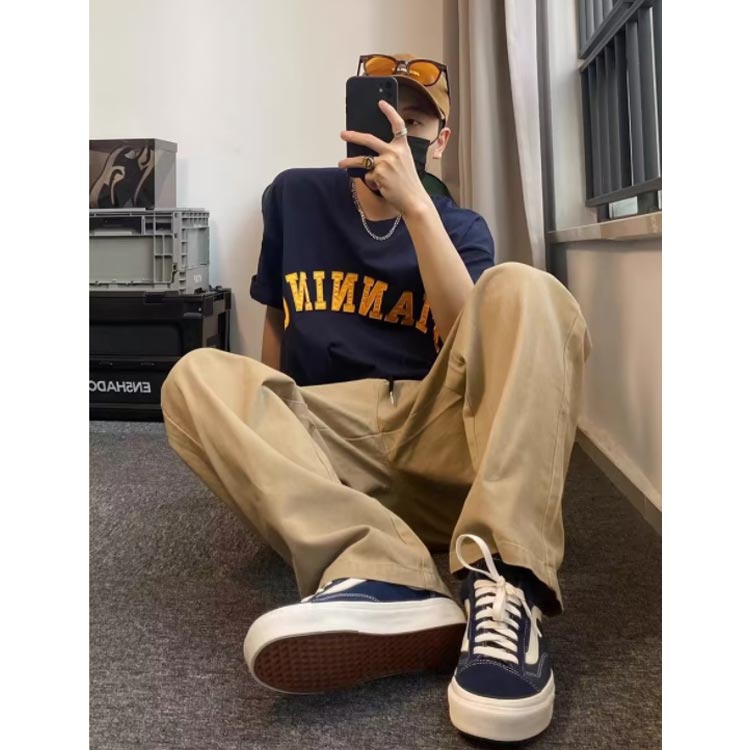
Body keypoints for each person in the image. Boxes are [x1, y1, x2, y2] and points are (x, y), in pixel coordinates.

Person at [161, 52, 591, 743]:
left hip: (436, 437)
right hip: (332, 446)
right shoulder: (294, 196)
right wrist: (273, 440)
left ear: (439, 140)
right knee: (195, 377)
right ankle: (379, 573)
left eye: (415, 120)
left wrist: (418, 208)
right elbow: (277, 321)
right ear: (351, 121)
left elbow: (471, 341)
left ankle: (505, 580)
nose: (397, 129)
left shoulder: (460, 227)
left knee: (525, 288)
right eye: (383, 111)